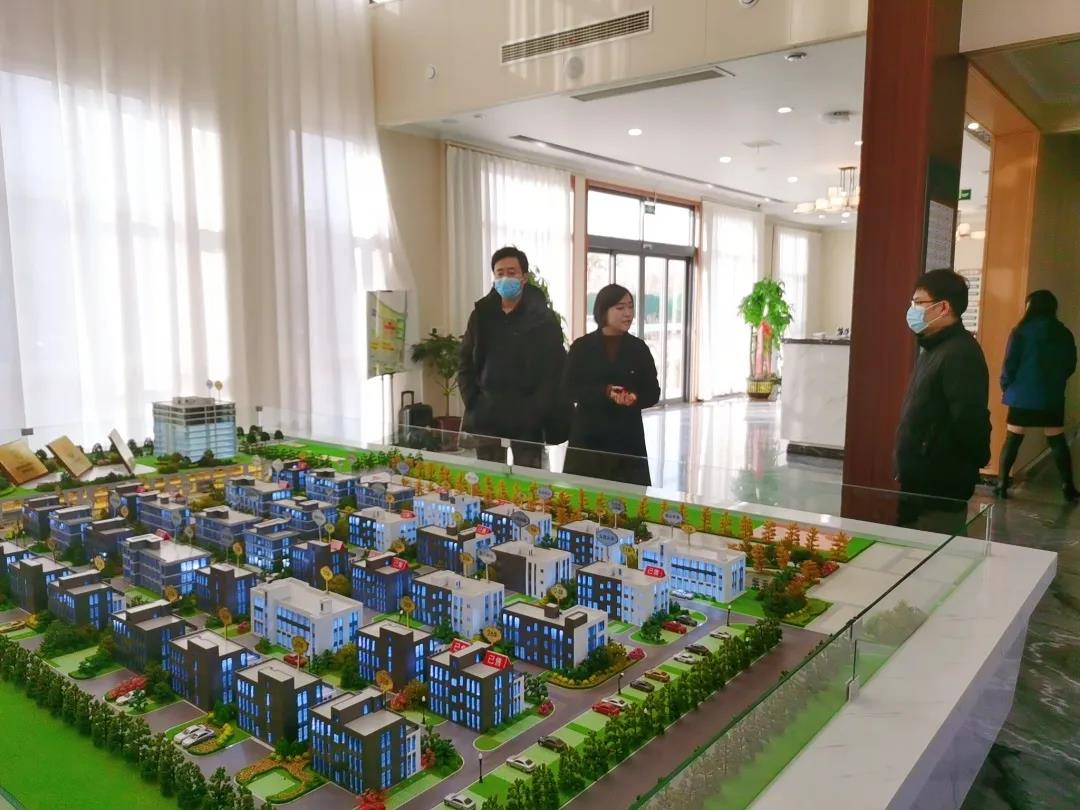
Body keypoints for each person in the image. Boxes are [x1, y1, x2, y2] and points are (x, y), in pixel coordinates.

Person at [895, 269, 991, 529]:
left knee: (937, 548)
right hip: (919, 482)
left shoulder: (960, 354)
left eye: (919, 302)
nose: (912, 310)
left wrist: (974, 460)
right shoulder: (934, 346)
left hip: (939, 486)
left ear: (943, 307)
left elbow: (970, 419)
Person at [458, 246, 566, 468]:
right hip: (487, 412)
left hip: (528, 415)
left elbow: (555, 368)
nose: (505, 278)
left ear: (524, 277)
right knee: (489, 478)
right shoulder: (481, 314)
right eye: (500, 273)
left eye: (512, 272)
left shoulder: (543, 318)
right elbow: (465, 360)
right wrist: (473, 401)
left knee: (529, 479)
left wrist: (539, 408)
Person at [563, 284, 660, 486]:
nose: (628, 313)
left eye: (630, 307)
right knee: (584, 498)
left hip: (627, 439)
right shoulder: (582, 347)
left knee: (628, 500)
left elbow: (653, 392)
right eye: (620, 308)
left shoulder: (639, 348)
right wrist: (604, 392)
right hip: (589, 437)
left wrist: (634, 398)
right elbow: (569, 389)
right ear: (603, 310)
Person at [996, 290, 1077, 501]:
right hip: (1051, 397)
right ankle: (1068, 486)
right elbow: (1070, 364)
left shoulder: (1021, 332)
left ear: (1030, 307)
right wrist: (1056, 383)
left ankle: (1002, 484)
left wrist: (1006, 387)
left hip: (1022, 395)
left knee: (1013, 439)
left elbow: (1010, 363)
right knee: (1057, 441)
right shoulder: (1063, 333)